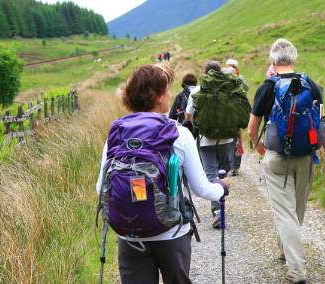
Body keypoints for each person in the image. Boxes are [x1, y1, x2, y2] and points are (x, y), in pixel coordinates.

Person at [95, 64, 231, 283]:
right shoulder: (179, 133)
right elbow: (201, 188)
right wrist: (221, 189)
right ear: (158, 97)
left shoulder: (117, 132)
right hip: (171, 232)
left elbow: (100, 188)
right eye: (166, 89)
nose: (170, 94)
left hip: (129, 235)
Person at [247, 38, 325, 284]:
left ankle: (296, 271)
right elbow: (323, 125)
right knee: (296, 212)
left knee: (285, 215)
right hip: (307, 157)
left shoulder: (267, 87)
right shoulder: (312, 85)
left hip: (277, 157)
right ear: (294, 59)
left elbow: (251, 130)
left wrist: (262, 151)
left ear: (272, 60)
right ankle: (286, 249)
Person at [186, 60, 246, 229]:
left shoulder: (197, 91)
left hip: (206, 139)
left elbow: (188, 115)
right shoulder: (230, 89)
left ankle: (218, 211)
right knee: (222, 171)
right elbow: (238, 116)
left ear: (205, 73)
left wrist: (199, 123)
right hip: (227, 138)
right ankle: (218, 207)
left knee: (211, 173)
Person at [222, 58, 245, 176]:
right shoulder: (240, 79)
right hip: (237, 111)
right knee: (236, 139)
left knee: (229, 140)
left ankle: (229, 165)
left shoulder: (223, 76)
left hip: (226, 112)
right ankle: (235, 166)